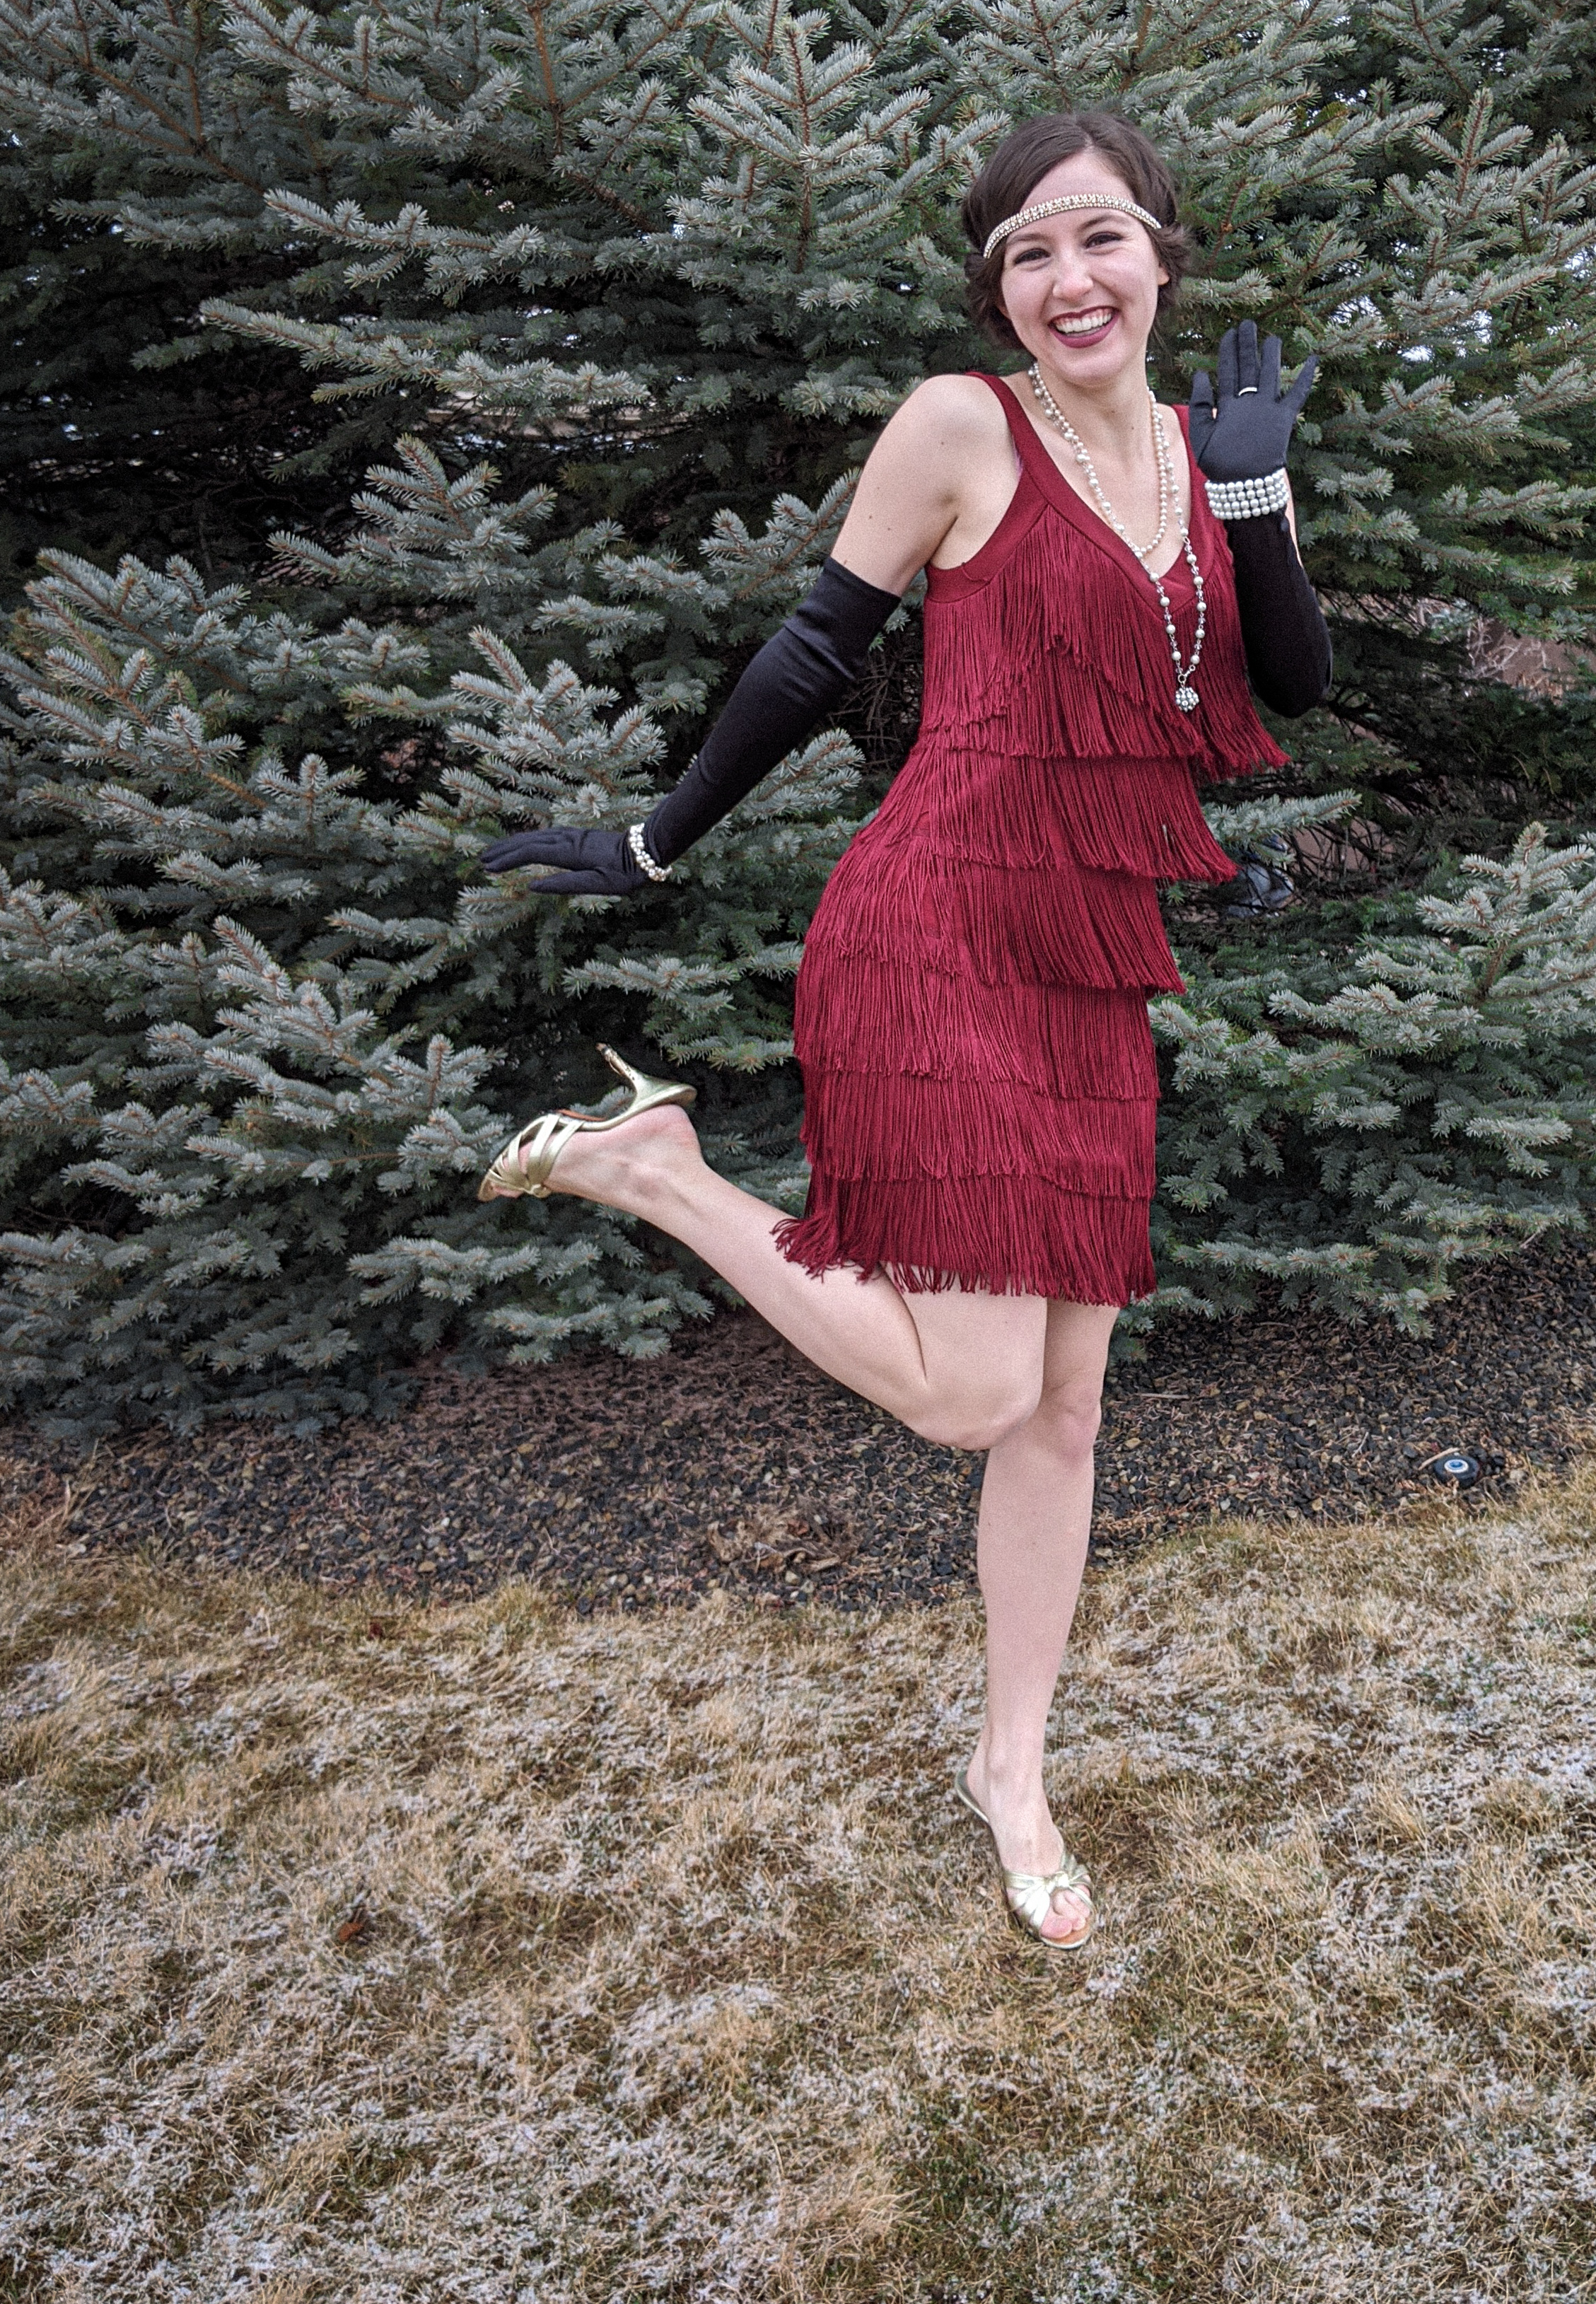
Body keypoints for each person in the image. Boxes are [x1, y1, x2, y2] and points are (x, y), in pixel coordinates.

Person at [477, 108, 1330, 1949]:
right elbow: (811, 655)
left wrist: (1257, 502)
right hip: (933, 926)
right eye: (1025, 251)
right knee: (972, 1388)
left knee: (1070, 1406)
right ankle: (671, 1177)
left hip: (1091, 960)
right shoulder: (961, 428)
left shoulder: (1204, 456)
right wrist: (649, 837)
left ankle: (1010, 1764)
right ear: (1000, 292)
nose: (1065, 276)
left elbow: (1289, 681)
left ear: (1162, 254)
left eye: (1096, 235)